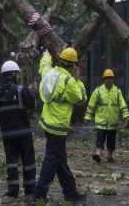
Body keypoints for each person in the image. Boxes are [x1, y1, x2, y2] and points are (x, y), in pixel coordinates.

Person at [32, 48, 88, 203]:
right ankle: (39, 193)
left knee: (59, 159)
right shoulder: (68, 81)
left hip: (47, 122)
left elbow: (43, 66)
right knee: (52, 159)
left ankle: (70, 192)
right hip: (58, 126)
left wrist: (46, 56)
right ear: (73, 65)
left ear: (60, 60)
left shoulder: (50, 73)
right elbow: (80, 98)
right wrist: (78, 80)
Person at [0, 60, 38, 198]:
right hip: (24, 132)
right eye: (18, 73)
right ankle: (29, 189)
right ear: (13, 73)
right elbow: (33, 104)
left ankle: (13, 190)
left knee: (11, 162)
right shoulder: (20, 89)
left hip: (7, 133)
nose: (19, 76)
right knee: (28, 162)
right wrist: (32, 93)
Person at [84, 69, 129, 163]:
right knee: (100, 138)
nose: (109, 80)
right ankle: (97, 154)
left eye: (111, 78)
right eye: (107, 78)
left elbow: (122, 104)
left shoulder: (117, 91)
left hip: (113, 121)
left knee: (111, 139)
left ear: (113, 79)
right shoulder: (98, 91)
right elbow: (91, 105)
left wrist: (126, 116)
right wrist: (87, 117)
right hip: (101, 120)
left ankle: (110, 156)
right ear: (104, 79)